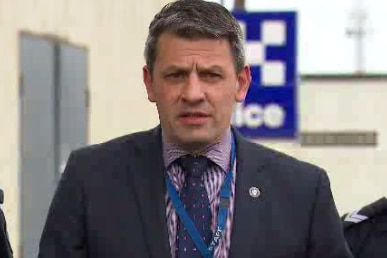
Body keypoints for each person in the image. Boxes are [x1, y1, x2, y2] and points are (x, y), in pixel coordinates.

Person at [38, 0, 353, 257]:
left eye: (211, 75)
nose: (192, 93)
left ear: (241, 84)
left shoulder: (303, 192)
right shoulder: (90, 180)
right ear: (150, 83)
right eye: (175, 75)